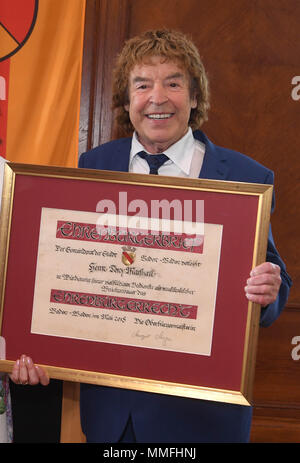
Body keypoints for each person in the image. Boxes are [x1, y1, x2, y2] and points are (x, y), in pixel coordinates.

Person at [10, 29, 291, 443]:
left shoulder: (246, 179)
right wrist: (37, 350)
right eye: (142, 84)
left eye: (173, 83)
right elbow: (66, 272)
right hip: (112, 418)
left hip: (203, 416)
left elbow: (277, 284)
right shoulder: (94, 165)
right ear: (127, 101)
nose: (157, 97)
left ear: (194, 97)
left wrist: (268, 291)